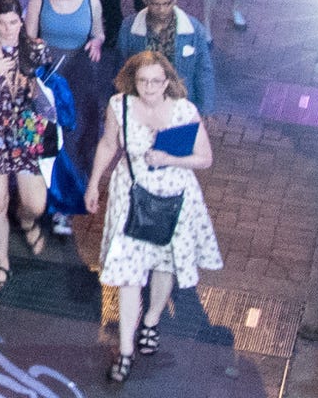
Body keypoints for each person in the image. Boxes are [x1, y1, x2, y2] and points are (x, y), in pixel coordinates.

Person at [85, 51, 222, 385]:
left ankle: (151, 320)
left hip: (174, 197)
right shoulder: (120, 106)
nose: (148, 87)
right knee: (130, 274)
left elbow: (205, 158)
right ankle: (126, 349)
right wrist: (93, 183)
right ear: (133, 80)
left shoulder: (184, 111)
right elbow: (107, 144)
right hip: (130, 196)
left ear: (168, 81)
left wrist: (169, 158)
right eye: (142, 81)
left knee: (164, 264)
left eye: (156, 81)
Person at [0, 6, 59, 291]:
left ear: (22, 21)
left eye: (13, 22)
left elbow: (52, 95)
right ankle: (1, 264)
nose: (8, 28)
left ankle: (27, 220)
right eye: (1, 23)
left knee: (35, 203)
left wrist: (32, 87)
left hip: (26, 134)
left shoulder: (36, 49)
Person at [119, 0, 218, 111]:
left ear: (174, 0)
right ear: (145, 0)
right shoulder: (129, 27)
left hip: (180, 103)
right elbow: (122, 68)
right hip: (143, 102)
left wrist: (206, 108)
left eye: (167, 4)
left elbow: (203, 70)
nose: (162, 10)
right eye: (156, 4)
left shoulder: (194, 29)